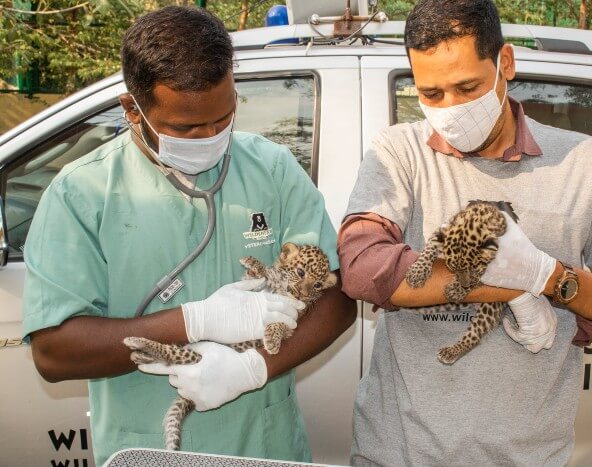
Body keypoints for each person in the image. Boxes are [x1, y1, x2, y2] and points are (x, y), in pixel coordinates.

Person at [23, 6, 355, 466]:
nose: (209, 136)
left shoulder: (274, 171)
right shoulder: (82, 193)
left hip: (264, 447)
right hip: (145, 449)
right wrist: (195, 322)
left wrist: (252, 368)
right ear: (132, 110)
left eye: (223, 119)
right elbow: (54, 353)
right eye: (184, 128)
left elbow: (338, 301)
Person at [338, 0, 592, 465]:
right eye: (431, 94)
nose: (449, 108)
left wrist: (549, 278)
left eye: (466, 86)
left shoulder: (583, 160)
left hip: (528, 456)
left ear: (504, 64)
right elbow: (364, 269)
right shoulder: (399, 152)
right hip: (401, 452)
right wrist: (509, 285)